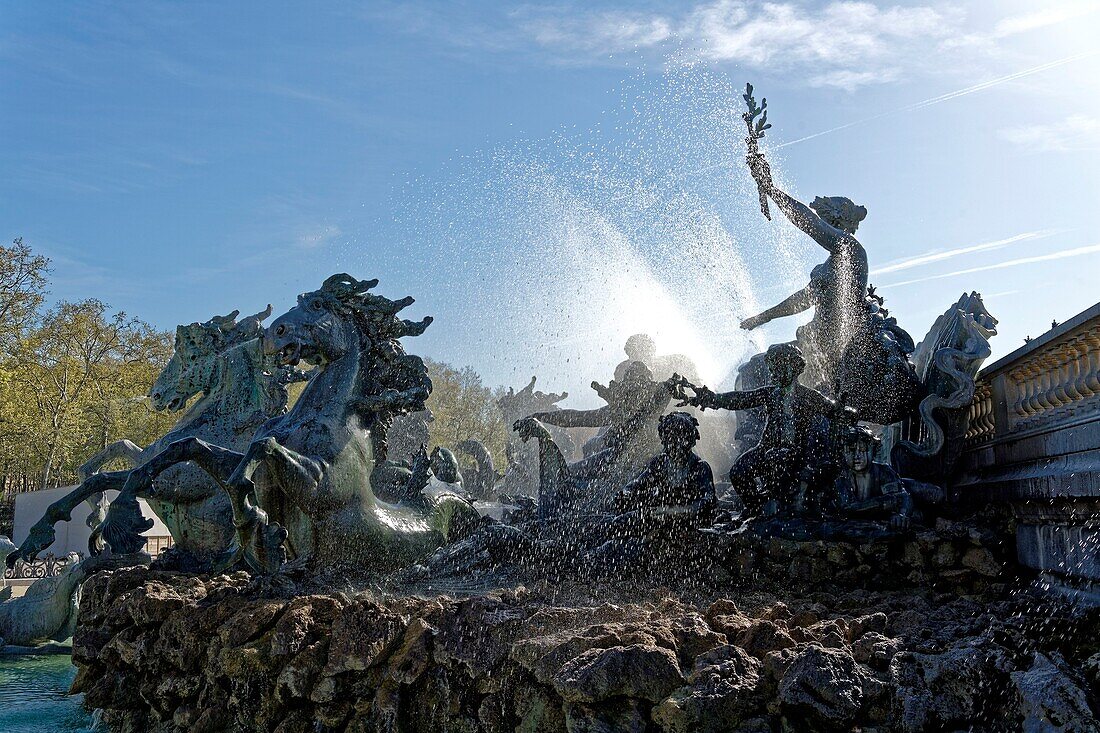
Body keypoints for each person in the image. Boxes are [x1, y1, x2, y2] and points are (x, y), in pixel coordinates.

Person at [674, 343, 854, 516]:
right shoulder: (770, 393)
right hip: (766, 448)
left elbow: (833, 411)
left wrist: (846, 411)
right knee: (739, 472)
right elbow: (740, 399)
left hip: (797, 453)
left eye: (778, 365)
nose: (773, 371)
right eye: (772, 366)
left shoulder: (809, 396)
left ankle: (787, 507)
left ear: (795, 367)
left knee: (785, 470)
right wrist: (712, 399)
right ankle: (757, 510)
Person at [741, 151, 869, 390]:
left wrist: (771, 190)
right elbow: (801, 301)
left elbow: (810, 224)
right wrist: (764, 316)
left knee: (759, 373)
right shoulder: (828, 266)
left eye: (828, 219)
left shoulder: (851, 250)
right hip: (814, 343)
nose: (824, 223)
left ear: (839, 222)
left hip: (837, 348)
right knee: (753, 369)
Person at [616, 412, 716, 523]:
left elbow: (709, 500)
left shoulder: (700, 467)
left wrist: (675, 512)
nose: (675, 445)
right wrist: (626, 493)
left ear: (690, 441)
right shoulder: (659, 463)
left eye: (680, 438)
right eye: (670, 439)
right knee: (618, 522)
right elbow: (638, 483)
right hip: (658, 515)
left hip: (687, 521)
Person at [829, 425, 913, 530]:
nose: (856, 456)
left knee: (934, 494)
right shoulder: (841, 477)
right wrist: (886, 502)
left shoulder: (884, 471)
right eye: (850, 450)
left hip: (909, 487)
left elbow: (902, 497)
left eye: (863, 450)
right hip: (870, 516)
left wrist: (902, 514)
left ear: (873, 451)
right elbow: (846, 508)